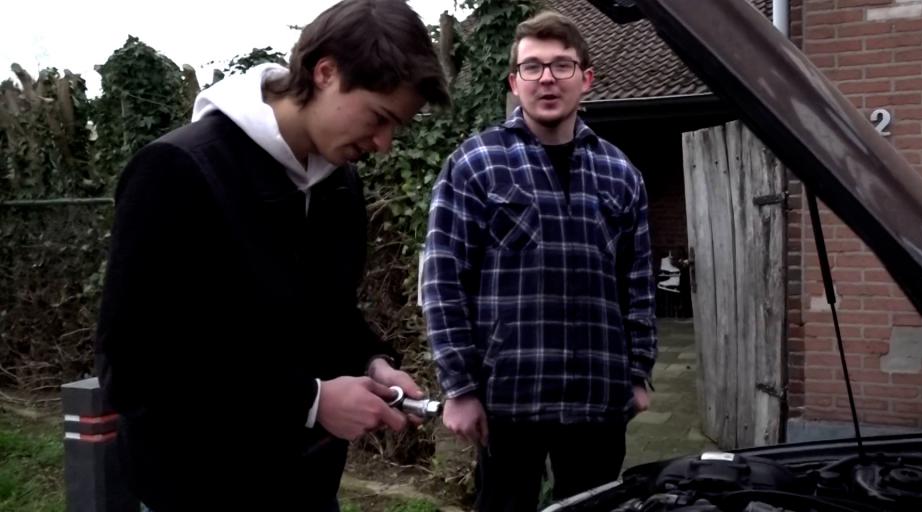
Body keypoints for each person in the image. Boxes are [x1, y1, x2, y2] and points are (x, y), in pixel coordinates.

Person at [94, 1, 449, 510]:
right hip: (198, 487)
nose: (385, 144)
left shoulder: (339, 184)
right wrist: (311, 401)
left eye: (397, 127)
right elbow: (135, 368)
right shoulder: (177, 171)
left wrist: (371, 364)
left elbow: (329, 312)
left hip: (307, 485)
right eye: (379, 117)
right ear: (326, 71)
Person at [421, 10, 657, 511]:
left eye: (562, 65)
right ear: (515, 80)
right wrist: (459, 387)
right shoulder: (476, 163)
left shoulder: (621, 173)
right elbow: (442, 281)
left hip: (599, 397)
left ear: (586, 78)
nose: (547, 78)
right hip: (508, 398)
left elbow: (637, 283)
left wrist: (638, 374)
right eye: (532, 67)